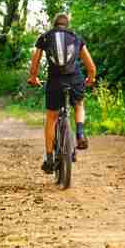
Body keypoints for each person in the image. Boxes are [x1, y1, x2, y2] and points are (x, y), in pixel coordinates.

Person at [26, 13, 97, 174]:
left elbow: (35, 64)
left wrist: (33, 78)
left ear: (54, 24)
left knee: (51, 117)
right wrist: (90, 78)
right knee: (78, 105)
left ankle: (50, 158)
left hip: (55, 81)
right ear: (67, 24)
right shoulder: (75, 37)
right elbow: (91, 66)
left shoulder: (45, 37)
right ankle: (80, 133)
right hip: (75, 79)